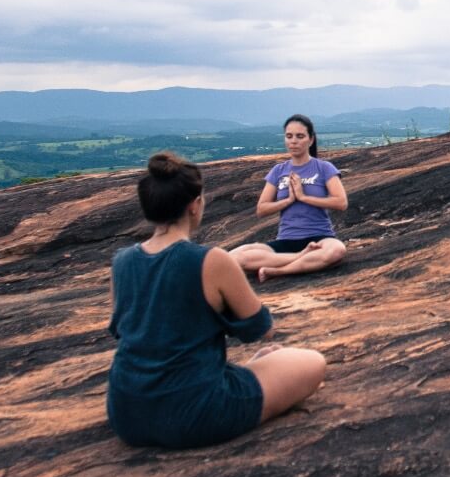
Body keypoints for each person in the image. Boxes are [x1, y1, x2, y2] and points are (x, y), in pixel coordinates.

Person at [107, 152, 325, 448]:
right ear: (195, 206)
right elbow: (261, 330)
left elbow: (124, 330)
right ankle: (244, 378)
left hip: (126, 413)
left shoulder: (122, 261)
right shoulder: (211, 260)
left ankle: (241, 373)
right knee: (312, 363)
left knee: (258, 364)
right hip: (196, 413)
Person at [230, 114, 348, 281]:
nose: (293, 141)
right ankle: (302, 257)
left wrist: (303, 197)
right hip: (286, 240)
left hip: (320, 237)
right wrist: (288, 201)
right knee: (234, 256)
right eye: (289, 136)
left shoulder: (324, 168)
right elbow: (261, 209)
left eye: (300, 136)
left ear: (311, 139)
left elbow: (341, 202)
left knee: (337, 250)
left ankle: (277, 271)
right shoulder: (278, 171)